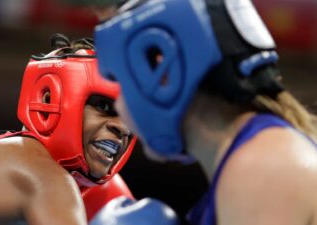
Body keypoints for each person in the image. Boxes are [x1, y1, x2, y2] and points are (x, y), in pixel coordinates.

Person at [91, 0, 317, 224]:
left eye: (120, 82)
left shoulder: (261, 166)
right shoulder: (257, 155)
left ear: (162, 72)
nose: (120, 106)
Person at [0, 36, 136, 225]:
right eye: (103, 106)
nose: (122, 127)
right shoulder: (45, 177)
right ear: (49, 99)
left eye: (129, 117)